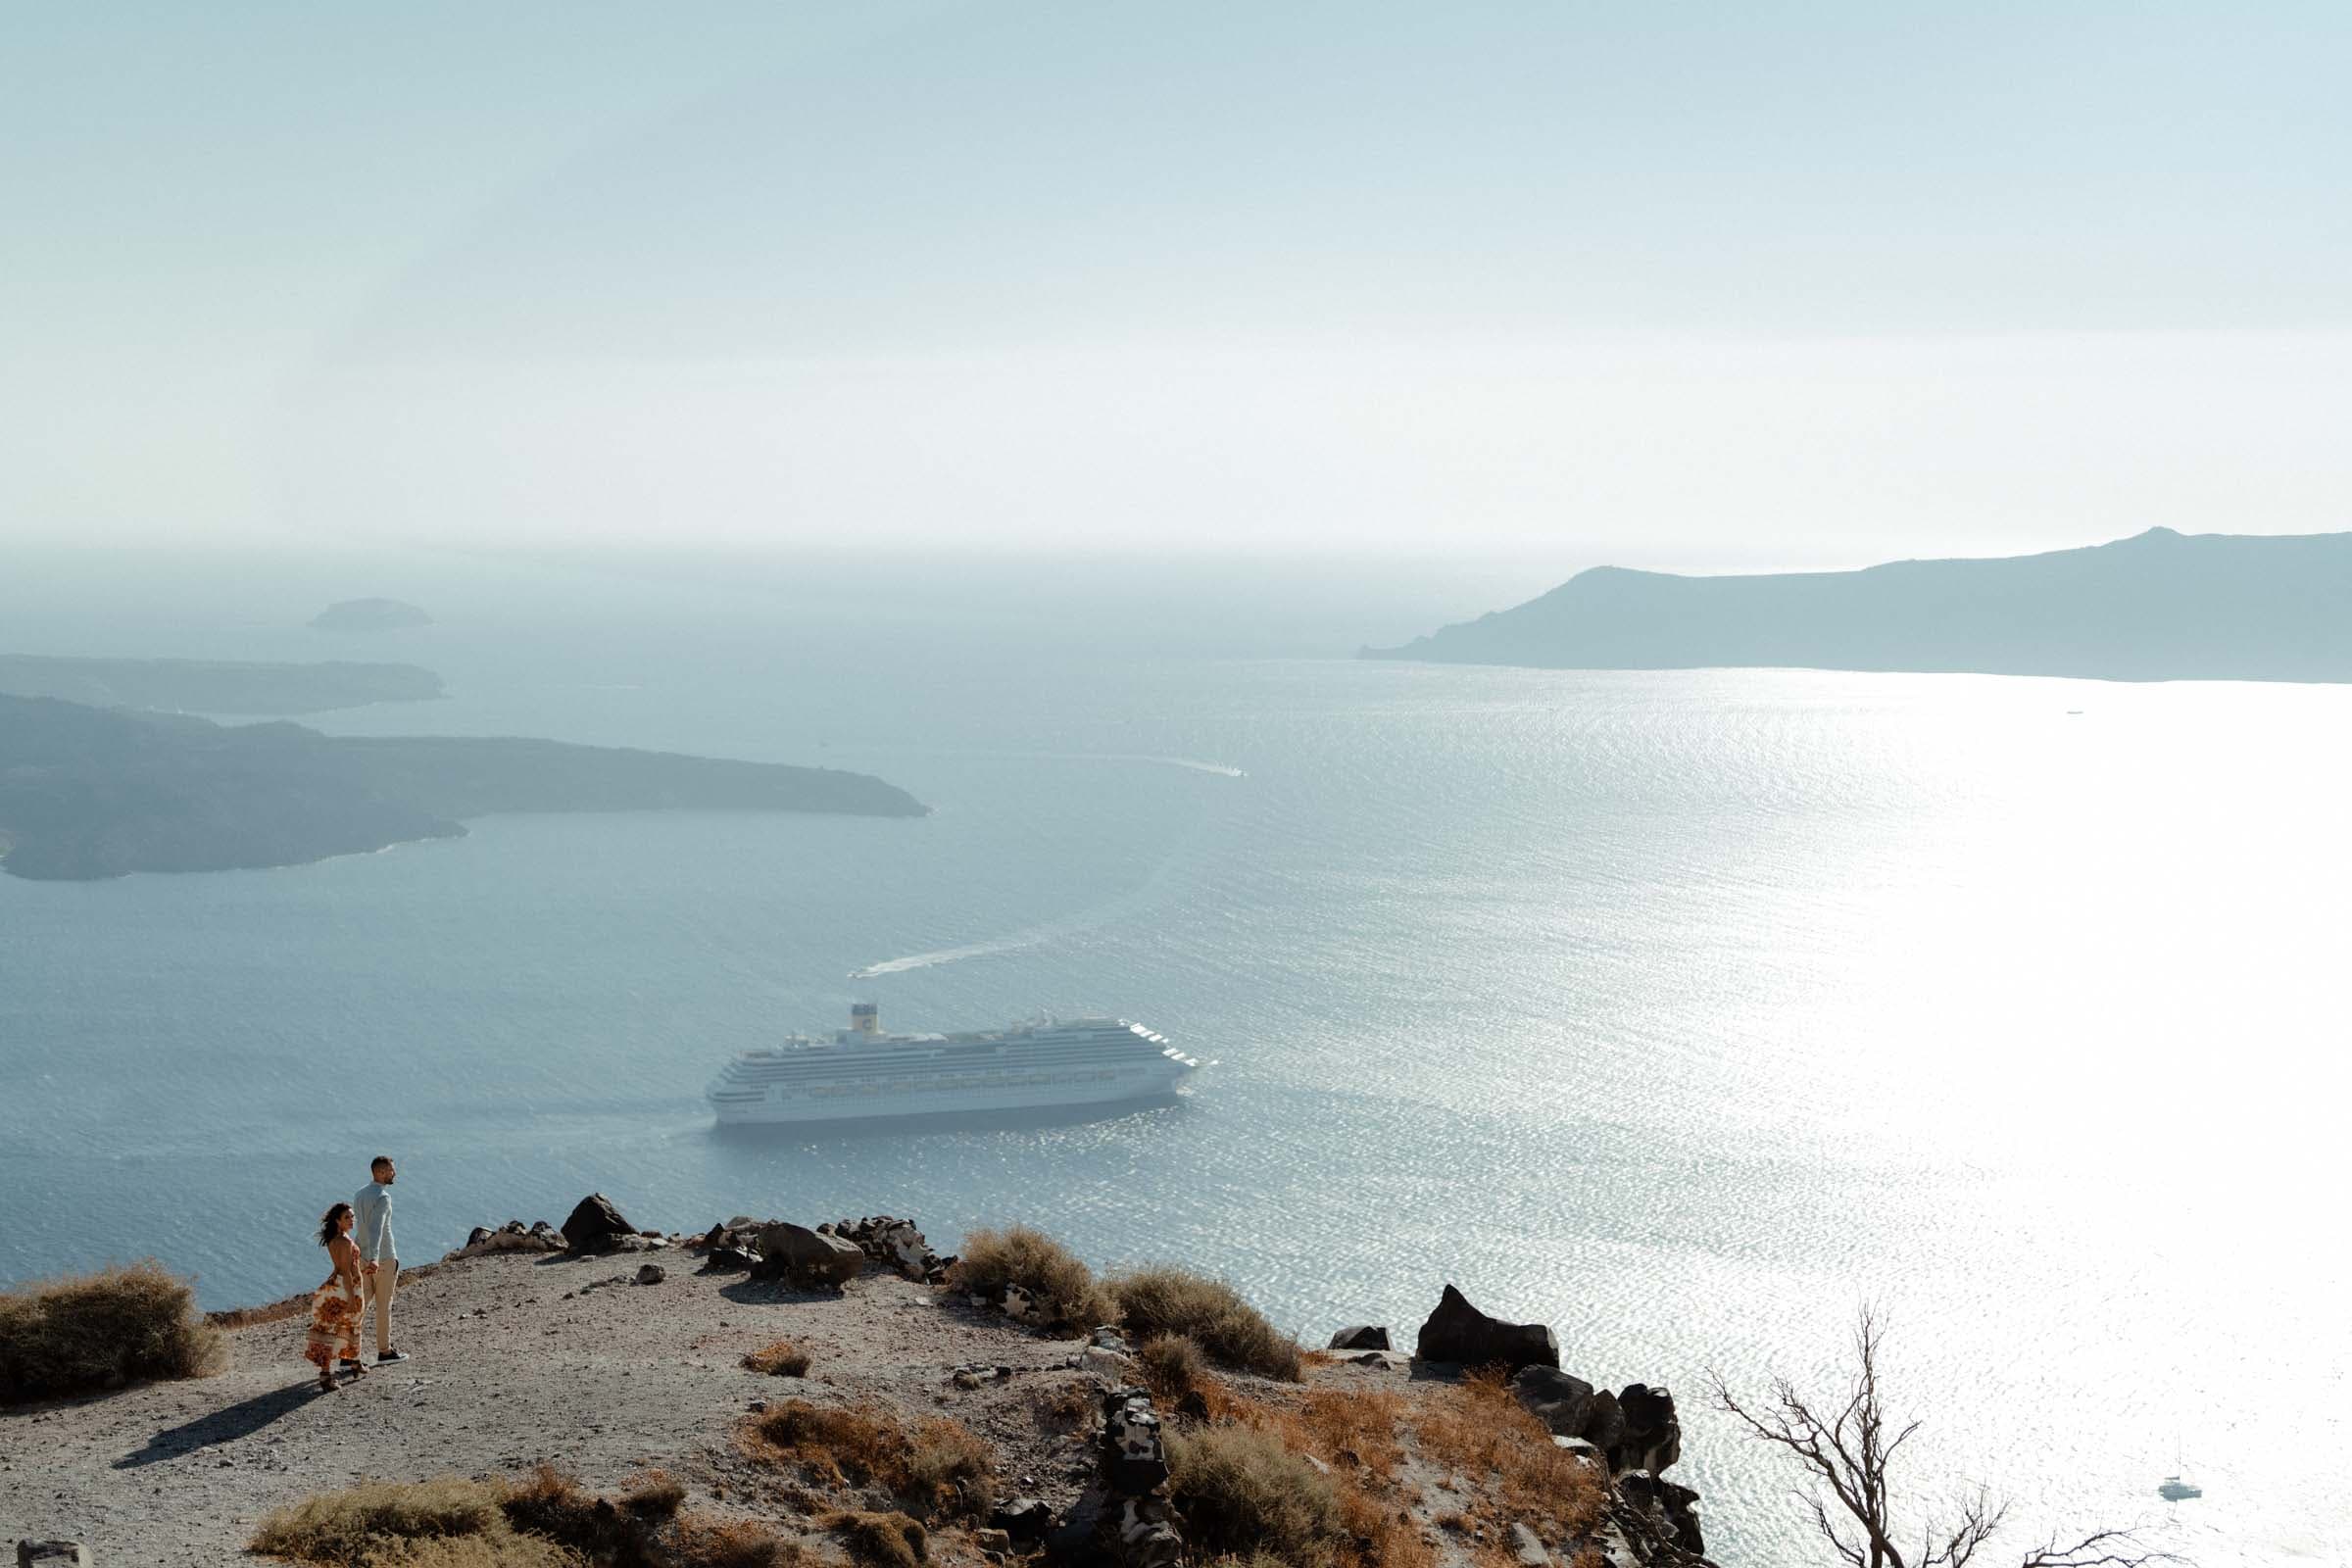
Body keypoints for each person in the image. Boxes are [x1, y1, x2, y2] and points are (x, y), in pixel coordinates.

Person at [352, 1154, 410, 1366]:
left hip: (361, 1257)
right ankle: (384, 1352)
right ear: (380, 1172)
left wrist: (359, 1254)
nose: (394, 1173)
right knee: (383, 1307)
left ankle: (347, 1355)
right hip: (382, 1258)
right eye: (391, 1170)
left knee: (360, 1306)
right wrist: (375, 1258)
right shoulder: (383, 1198)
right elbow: (376, 1230)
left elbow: (362, 1229)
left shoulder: (359, 1194)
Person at [305, 1202, 368, 1391]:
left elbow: (340, 1267)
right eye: (347, 1217)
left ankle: (354, 1362)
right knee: (347, 1324)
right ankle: (326, 1376)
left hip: (337, 1286)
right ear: (337, 1220)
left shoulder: (336, 1238)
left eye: (352, 1217)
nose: (351, 1220)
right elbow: (346, 1271)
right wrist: (350, 1296)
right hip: (346, 1288)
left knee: (339, 1326)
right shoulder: (345, 1242)